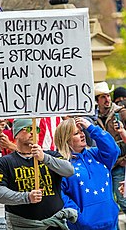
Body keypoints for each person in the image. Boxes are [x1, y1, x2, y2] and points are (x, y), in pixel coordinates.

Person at [0, 118, 77, 230]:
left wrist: (44, 158)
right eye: (28, 128)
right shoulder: (4, 162)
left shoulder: (51, 155)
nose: (33, 132)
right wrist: (26, 197)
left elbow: (69, 171)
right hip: (23, 226)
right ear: (16, 134)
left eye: (36, 129)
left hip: (54, 225)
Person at [54, 117, 120, 230]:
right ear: (66, 138)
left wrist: (91, 128)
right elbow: (61, 196)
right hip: (83, 226)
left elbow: (113, 150)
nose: (82, 135)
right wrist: (79, 218)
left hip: (111, 222)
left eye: (82, 131)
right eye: (76, 133)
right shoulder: (61, 164)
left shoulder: (96, 154)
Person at [94, 81, 126, 218]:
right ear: (97, 100)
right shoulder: (94, 118)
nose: (107, 99)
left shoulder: (122, 112)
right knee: (109, 203)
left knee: (122, 200)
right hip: (105, 166)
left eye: (108, 95)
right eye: (102, 97)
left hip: (121, 163)